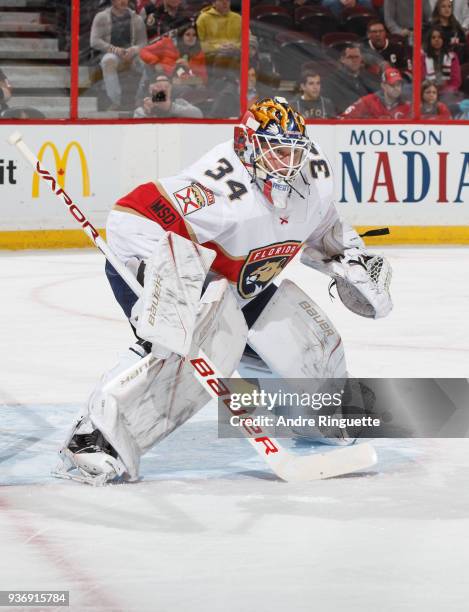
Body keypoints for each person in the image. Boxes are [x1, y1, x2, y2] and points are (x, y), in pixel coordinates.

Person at [55, 96, 393, 485]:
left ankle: (314, 420)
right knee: (183, 349)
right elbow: (132, 216)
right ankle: (94, 440)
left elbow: (323, 229)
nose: (287, 163)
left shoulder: (313, 177)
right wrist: (168, 279)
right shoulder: (219, 186)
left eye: (293, 151)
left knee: (312, 346)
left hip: (246, 287)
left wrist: (349, 259)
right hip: (181, 276)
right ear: (247, 144)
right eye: (276, 151)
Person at [90, 0, 147, 110]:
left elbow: (143, 43)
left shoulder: (137, 18)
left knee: (148, 63)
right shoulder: (101, 17)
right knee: (108, 61)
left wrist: (134, 50)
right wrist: (114, 49)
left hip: (132, 55)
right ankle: (115, 101)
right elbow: (94, 41)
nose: (123, 1)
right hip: (111, 53)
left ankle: (140, 99)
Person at [139, 23, 208, 84]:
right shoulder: (167, 43)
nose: (191, 38)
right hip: (163, 78)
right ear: (181, 36)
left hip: (184, 83)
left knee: (193, 86)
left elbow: (204, 80)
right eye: (187, 35)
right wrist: (156, 62)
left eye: (194, 35)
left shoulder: (199, 53)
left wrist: (189, 66)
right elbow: (144, 51)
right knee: (149, 70)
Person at [323, 43, 380, 114]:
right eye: (350, 57)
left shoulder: (369, 78)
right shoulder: (332, 81)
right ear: (342, 59)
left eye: (357, 57)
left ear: (361, 59)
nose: (354, 60)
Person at [341, 66, 411, 118]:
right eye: (392, 85)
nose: (397, 88)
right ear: (383, 86)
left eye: (399, 85)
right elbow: (344, 117)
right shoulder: (367, 101)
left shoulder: (407, 106)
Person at [133, 74, 203, 117]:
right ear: (151, 90)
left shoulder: (179, 102)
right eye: (159, 86)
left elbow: (198, 114)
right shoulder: (142, 110)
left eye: (166, 86)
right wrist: (148, 114)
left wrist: (170, 107)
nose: (163, 89)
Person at [196, 0, 241, 67]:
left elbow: (247, 39)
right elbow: (199, 43)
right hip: (211, 61)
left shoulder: (238, 18)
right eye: (221, 0)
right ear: (214, 3)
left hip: (235, 57)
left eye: (228, 1)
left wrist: (235, 46)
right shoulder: (203, 19)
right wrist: (217, 48)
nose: (225, 3)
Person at [421, 26, 461, 97]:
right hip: (427, 92)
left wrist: (445, 92)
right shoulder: (422, 57)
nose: (437, 40)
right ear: (429, 41)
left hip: (447, 93)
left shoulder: (452, 57)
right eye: (433, 37)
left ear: (443, 39)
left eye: (439, 37)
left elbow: (456, 81)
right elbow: (420, 79)